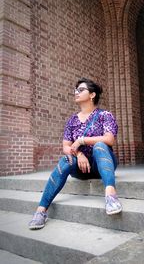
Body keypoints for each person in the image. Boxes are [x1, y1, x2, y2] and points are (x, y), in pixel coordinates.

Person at [29, 78, 122, 230]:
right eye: (75, 90)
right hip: (81, 168)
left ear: (92, 95)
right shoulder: (72, 120)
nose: (76, 92)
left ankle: (111, 195)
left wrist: (82, 140)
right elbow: (66, 146)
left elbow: (109, 139)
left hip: (102, 164)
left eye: (80, 90)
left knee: (99, 145)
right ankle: (41, 210)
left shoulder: (105, 115)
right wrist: (79, 154)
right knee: (66, 159)